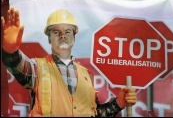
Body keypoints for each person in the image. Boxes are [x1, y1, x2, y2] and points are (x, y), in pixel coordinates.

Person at [2, 8, 137, 117]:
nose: (62, 35)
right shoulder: (38, 68)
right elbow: (16, 64)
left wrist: (118, 103)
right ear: (49, 39)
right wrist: (10, 50)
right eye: (56, 32)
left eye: (67, 31)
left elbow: (95, 113)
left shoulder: (86, 75)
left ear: (74, 37)